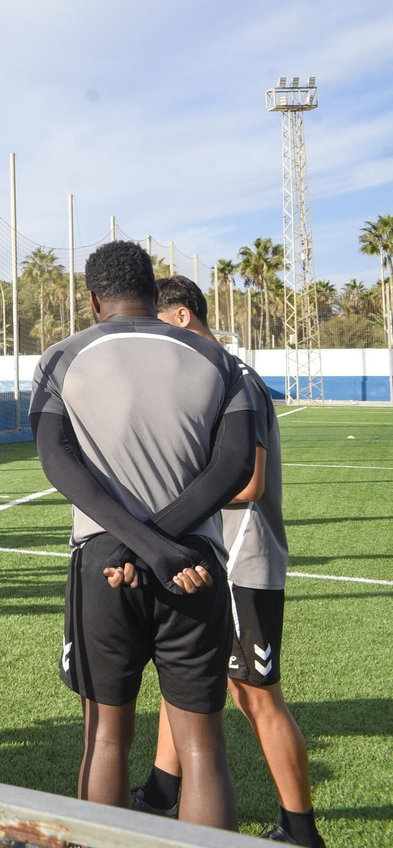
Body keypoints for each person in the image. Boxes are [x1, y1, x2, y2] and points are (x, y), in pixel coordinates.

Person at [29, 242, 256, 830]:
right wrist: (161, 544)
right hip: (194, 560)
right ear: (157, 294)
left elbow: (58, 464)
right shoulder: (218, 361)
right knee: (202, 748)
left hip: (105, 565)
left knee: (106, 737)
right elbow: (232, 468)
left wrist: (137, 546)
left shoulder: (61, 358)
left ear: (93, 298)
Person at [134, 277, 321, 846]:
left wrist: (171, 499)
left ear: (184, 316)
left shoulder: (236, 379)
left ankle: (300, 829)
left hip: (246, 559)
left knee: (255, 694)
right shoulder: (208, 377)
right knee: (183, 673)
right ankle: (163, 789)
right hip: (211, 555)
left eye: (158, 326)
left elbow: (250, 482)